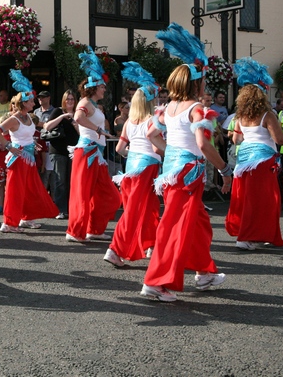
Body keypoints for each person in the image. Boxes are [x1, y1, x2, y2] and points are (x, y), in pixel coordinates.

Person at [141, 23, 229, 302]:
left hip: (173, 173)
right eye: (203, 80)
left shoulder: (167, 108)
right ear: (197, 83)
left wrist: (171, 154)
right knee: (174, 227)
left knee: (199, 224)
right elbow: (203, 145)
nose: (206, 84)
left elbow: (152, 133)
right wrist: (226, 169)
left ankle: (204, 272)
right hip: (188, 175)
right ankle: (155, 283)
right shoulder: (196, 108)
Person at [225, 58, 283, 251]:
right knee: (265, 200)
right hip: (262, 162)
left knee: (246, 200)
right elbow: (279, 140)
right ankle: (247, 237)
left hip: (243, 162)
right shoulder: (268, 115)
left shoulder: (240, 116)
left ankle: (254, 235)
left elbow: (236, 140)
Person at [108, 63, 166, 267]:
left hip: (131, 169)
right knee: (134, 210)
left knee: (149, 207)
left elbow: (119, 149)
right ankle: (115, 249)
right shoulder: (154, 121)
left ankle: (151, 244)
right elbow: (158, 148)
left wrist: (134, 154)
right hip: (148, 167)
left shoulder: (129, 122)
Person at [0, 70, 58, 233]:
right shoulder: (14, 118)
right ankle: (8, 223)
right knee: (15, 190)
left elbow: (29, 134)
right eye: (31, 102)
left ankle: (25, 218)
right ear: (25, 102)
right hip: (18, 158)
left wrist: (33, 145)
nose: (34, 104)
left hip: (28, 157)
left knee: (29, 189)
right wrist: (8, 146)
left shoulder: (28, 117)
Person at [66, 47, 121, 243]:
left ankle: (94, 229)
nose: (104, 89)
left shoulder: (95, 105)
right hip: (87, 152)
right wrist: (98, 131)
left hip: (95, 153)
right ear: (94, 87)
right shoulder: (85, 102)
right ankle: (74, 231)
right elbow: (78, 117)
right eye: (102, 86)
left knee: (110, 195)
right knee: (82, 193)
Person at [43, 90, 79, 219]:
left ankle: (71, 208)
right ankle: (60, 209)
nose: (70, 101)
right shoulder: (58, 111)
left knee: (71, 181)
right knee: (60, 181)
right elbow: (47, 127)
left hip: (73, 151)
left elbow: (83, 133)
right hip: (58, 150)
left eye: (72, 99)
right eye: (68, 99)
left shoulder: (78, 113)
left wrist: (75, 122)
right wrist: (62, 117)